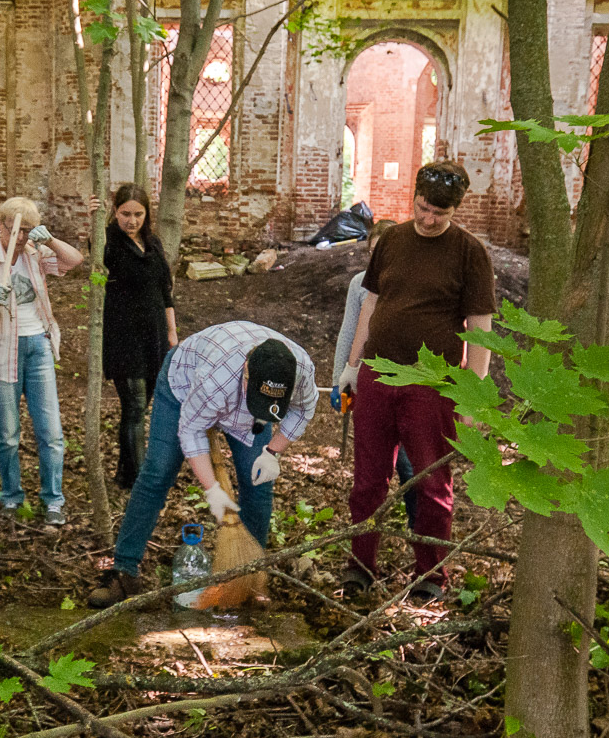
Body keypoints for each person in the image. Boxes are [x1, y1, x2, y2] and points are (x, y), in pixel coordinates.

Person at [337, 160, 496, 604]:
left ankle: (430, 575)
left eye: (439, 214)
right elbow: (370, 304)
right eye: (423, 208)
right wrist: (353, 366)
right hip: (378, 375)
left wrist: (472, 395)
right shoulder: (391, 240)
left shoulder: (470, 253)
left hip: (432, 384)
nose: (428, 219)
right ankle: (360, 566)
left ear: (454, 211)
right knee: (368, 478)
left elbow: (479, 326)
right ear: (414, 198)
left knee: (430, 481)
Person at [88, 321, 318, 608]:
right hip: (184, 386)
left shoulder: (301, 372)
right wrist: (213, 490)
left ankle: (247, 576)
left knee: (258, 485)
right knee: (157, 473)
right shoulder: (215, 379)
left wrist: (272, 452)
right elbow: (191, 432)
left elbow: (304, 410)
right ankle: (123, 571)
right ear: (246, 373)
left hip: (245, 419)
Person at [0, 197, 84, 525]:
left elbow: (74, 261)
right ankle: (11, 496)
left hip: (38, 347)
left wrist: (49, 239)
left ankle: (53, 500)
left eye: (26, 231)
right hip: (0, 351)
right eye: (13, 229)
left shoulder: (34, 252)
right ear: (0, 225)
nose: (19, 237)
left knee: (51, 430)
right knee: (7, 433)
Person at [330, 219, 416, 529]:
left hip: (409, 384)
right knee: (372, 466)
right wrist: (341, 381)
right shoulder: (359, 284)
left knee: (410, 464)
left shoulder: (415, 283)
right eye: (372, 252)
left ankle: (417, 526)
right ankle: (367, 530)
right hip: (370, 383)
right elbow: (348, 332)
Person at [97, 185, 177, 489]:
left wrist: (172, 332)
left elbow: (165, 292)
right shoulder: (109, 242)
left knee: (143, 406)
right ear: (115, 212)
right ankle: (141, 476)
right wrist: (93, 217)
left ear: (147, 214)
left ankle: (126, 473)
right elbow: (95, 255)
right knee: (133, 404)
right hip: (123, 336)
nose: (132, 220)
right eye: (125, 213)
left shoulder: (152, 243)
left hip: (154, 335)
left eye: (138, 214)